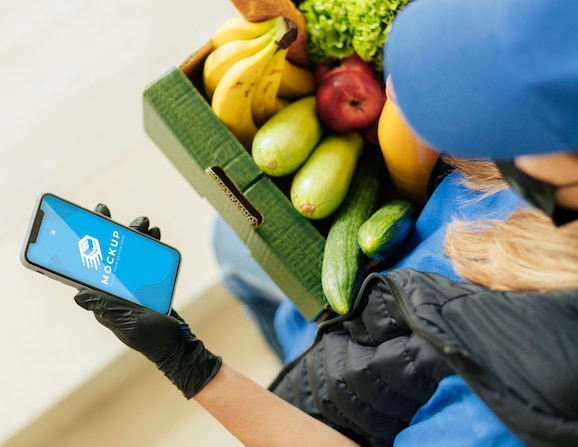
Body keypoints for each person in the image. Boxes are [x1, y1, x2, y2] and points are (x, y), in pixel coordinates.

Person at [73, 0, 578, 446]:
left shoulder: (527, 404)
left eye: (505, 120)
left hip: (355, 391)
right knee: (231, 246)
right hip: (367, 306)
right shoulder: (542, 163)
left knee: (241, 268)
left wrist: (191, 366)